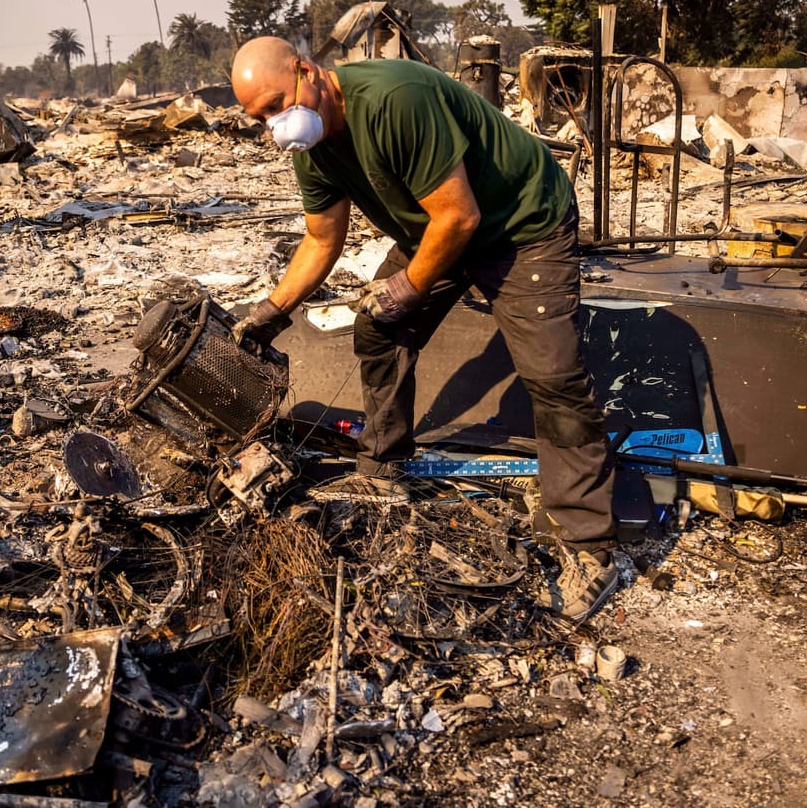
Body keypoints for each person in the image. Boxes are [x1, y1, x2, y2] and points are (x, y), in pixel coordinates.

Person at [229, 36, 617, 622]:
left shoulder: (395, 98)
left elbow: (461, 215)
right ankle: (383, 467)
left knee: (552, 376)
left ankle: (590, 546)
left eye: (278, 104)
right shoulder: (312, 149)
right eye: (260, 118)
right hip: (441, 230)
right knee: (378, 330)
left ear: (308, 72)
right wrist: (271, 311)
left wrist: (406, 289)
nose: (275, 125)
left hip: (521, 224)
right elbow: (321, 238)